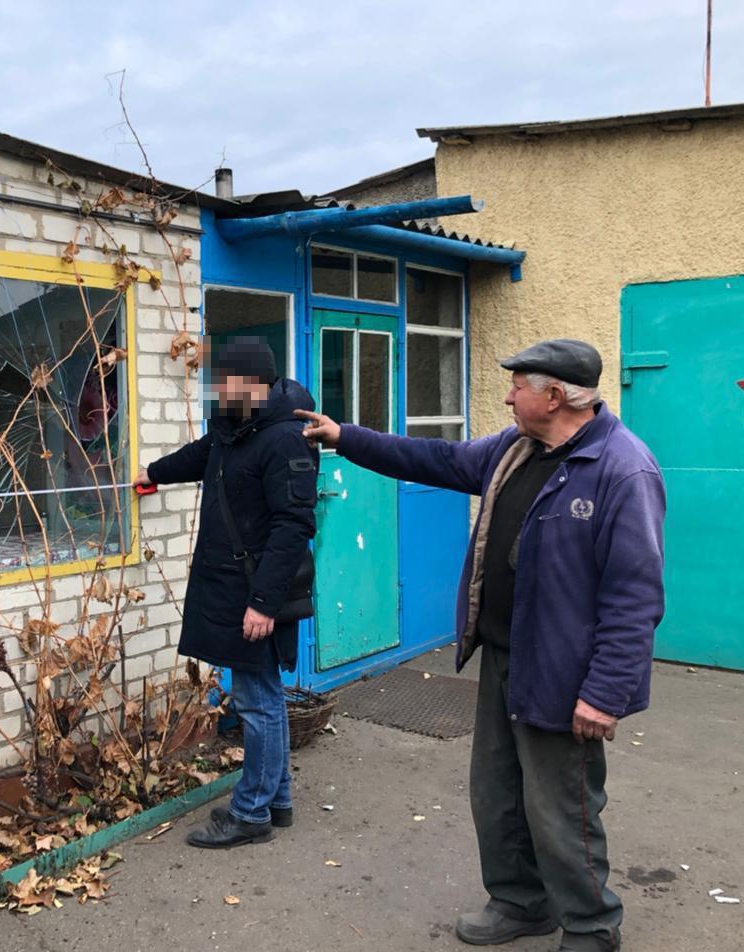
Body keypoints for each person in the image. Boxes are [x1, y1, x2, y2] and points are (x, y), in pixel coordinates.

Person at [298, 339, 664, 952]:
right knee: (495, 793)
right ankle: (521, 902)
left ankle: (592, 927)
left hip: (566, 672)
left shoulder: (623, 470)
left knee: (561, 810)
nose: (506, 394)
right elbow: (435, 458)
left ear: (555, 395)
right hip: (503, 655)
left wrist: (604, 695)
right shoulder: (514, 450)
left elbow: (635, 597)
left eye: (518, 384)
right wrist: (345, 437)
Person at [135, 337, 318, 849]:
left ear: (253, 384)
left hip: (255, 592)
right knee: (265, 698)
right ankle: (274, 800)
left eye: (224, 382)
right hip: (232, 587)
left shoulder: (284, 439)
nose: (215, 390)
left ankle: (251, 812)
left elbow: (293, 526)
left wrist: (263, 603)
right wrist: (152, 473)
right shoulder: (237, 428)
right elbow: (201, 456)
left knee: (256, 703)